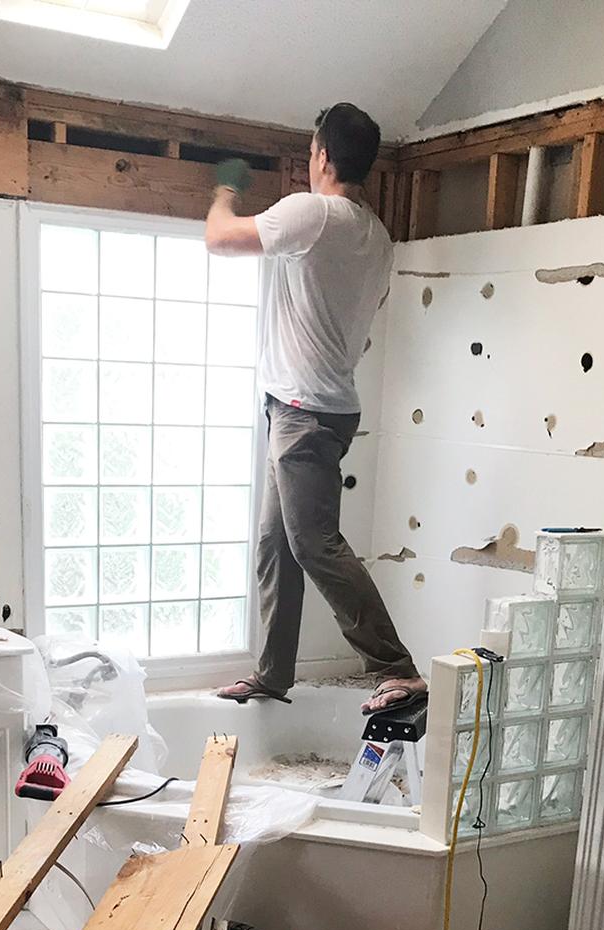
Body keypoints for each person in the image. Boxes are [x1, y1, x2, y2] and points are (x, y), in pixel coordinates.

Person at [204, 102, 425, 715]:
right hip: (315, 405)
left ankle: (395, 666)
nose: (308, 164)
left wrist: (225, 189)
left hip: (304, 411)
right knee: (277, 542)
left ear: (324, 157)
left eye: (309, 154)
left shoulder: (313, 212)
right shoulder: (374, 234)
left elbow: (220, 239)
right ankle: (273, 674)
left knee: (312, 542)